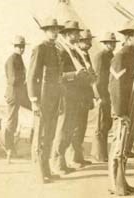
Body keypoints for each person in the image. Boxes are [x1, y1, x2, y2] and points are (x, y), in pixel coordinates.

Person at [108, 20, 134, 196]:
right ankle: (115, 183)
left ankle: (122, 180)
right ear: (128, 37)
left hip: (133, 108)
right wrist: (120, 112)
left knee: (125, 147)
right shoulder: (121, 56)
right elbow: (115, 87)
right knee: (119, 146)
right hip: (123, 110)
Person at [27, 17, 64, 184]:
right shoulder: (39, 49)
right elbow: (32, 76)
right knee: (40, 135)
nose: (55, 32)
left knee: (49, 135)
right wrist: (34, 100)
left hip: (54, 98)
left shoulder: (56, 49)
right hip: (42, 98)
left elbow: (58, 77)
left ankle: (46, 169)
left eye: (56, 30)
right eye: (51, 29)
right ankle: (38, 173)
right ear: (45, 31)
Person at [51, 20, 89, 175]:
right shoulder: (60, 50)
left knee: (69, 129)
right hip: (66, 95)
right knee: (63, 129)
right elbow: (56, 76)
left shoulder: (73, 51)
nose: (78, 35)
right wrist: (75, 75)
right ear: (66, 34)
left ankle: (62, 162)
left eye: (77, 33)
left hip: (75, 95)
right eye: (74, 33)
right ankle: (56, 162)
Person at [91, 32, 119, 162]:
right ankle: (98, 154)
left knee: (106, 124)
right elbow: (96, 78)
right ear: (105, 43)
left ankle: (102, 154)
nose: (112, 45)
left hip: (108, 94)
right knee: (100, 125)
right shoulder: (101, 56)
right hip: (102, 94)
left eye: (113, 43)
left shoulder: (110, 56)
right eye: (110, 43)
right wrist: (98, 96)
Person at [69, 29, 96, 167]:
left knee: (82, 127)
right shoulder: (75, 55)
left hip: (85, 97)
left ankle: (79, 157)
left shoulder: (85, 55)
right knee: (76, 128)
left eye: (89, 40)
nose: (89, 43)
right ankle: (74, 158)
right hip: (77, 97)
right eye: (86, 41)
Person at [4, 35, 31, 156]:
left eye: (23, 46)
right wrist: (25, 80)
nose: (21, 49)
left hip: (20, 94)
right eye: (19, 46)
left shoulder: (19, 58)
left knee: (37, 109)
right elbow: (12, 80)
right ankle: (9, 148)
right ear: (14, 47)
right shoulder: (12, 60)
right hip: (13, 94)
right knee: (11, 121)